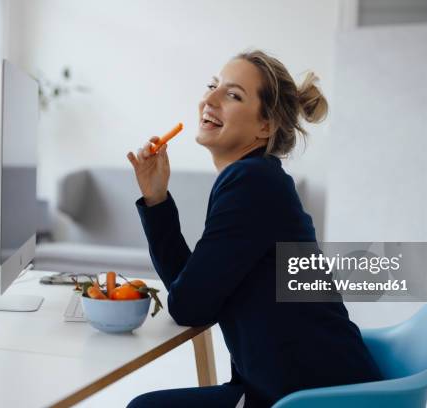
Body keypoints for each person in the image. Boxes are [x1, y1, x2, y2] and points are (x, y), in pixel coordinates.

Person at [126, 50, 383, 408]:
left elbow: (188, 306)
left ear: (266, 126)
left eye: (232, 95)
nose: (210, 99)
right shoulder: (258, 179)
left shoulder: (251, 183)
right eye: (212, 85)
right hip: (287, 389)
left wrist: (159, 209)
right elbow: (192, 293)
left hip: (314, 399)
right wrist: (156, 199)